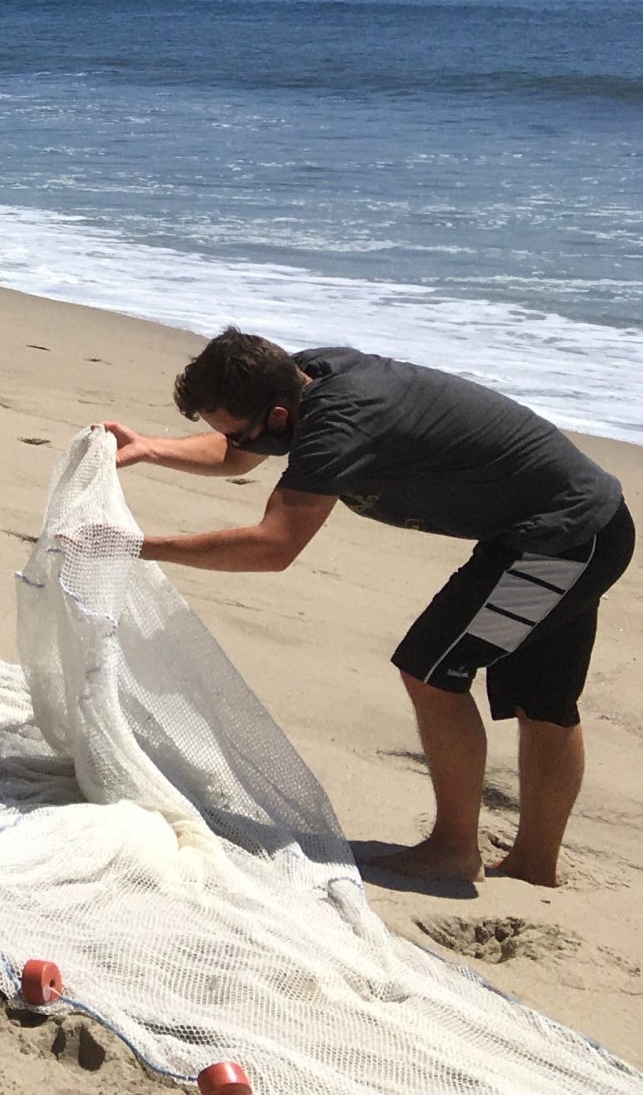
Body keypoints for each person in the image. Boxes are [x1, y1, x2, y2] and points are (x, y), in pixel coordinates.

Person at [104, 327, 630, 888]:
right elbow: (239, 453)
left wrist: (140, 547)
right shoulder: (298, 376)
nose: (231, 442)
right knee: (541, 698)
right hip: (578, 523)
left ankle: (456, 850)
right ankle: (532, 868)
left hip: (561, 538)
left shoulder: (337, 425)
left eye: (235, 429)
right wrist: (151, 447)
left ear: (278, 416)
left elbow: (274, 545)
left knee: (432, 670)